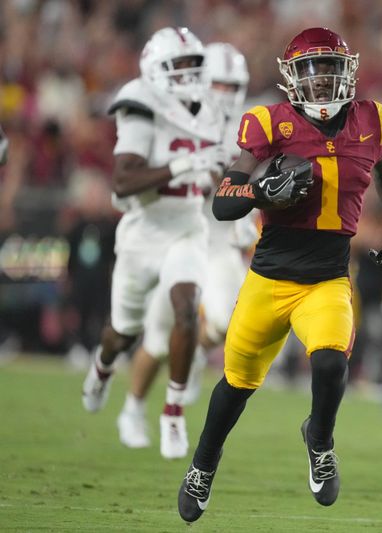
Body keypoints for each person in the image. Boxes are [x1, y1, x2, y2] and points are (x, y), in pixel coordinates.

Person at [177, 27, 382, 522]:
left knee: (330, 364)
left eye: (330, 68)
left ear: (346, 71)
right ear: (292, 77)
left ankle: (320, 442)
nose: (322, 79)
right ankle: (203, 466)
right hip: (269, 279)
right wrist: (265, 192)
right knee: (235, 386)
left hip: (327, 277)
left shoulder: (372, 120)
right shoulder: (268, 123)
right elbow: (223, 203)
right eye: (311, 69)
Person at [80, 27, 227, 460]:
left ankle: (173, 412)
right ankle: (103, 367)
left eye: (193, 66)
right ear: (155, 69)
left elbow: (216, 177)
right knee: (122, 333)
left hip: (186, 228)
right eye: (178, 66)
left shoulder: (211, 109)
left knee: (186, 308)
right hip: (144, 233)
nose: (188, 75)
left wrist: (219, 172)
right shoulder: (141, 101)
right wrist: (183, 164)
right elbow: (124, 181)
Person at [115, 42, 256, 450]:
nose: (226, 95)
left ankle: (192, 358)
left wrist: (249, 219)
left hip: (219, 243)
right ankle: (133, 406)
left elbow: (248, 185)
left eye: (235, 86)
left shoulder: (250, 127)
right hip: (180, 235)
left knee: (228, 321)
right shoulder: (172, 118)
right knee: (159, 338)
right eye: (220, 85)